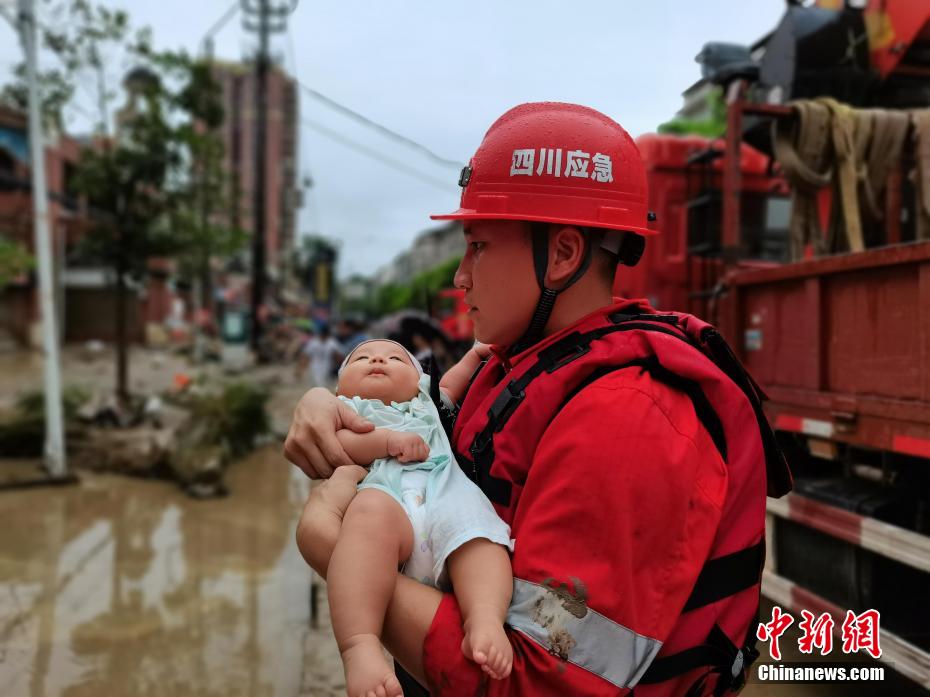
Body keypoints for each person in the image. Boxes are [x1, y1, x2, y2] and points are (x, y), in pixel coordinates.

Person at [286, 102, 791, 696]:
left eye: (478, 245)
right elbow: (423, 439)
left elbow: (536, 682)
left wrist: (339, 555)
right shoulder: (518, 367)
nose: (460, 277)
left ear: (562, 255)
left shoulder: (626, 417)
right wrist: (327, 401)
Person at [326, 338, 513, 697]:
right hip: (389, 495)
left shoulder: (428, 399)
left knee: (480, 532)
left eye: (396, 358)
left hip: (446, 490)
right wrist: (384, 442)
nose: (378, 358)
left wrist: (474, 355)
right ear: (339, 385)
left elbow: (451, 384)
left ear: (419, 378)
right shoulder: (347, 408)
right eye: (360, 358)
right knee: (364, 524)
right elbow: (342, 446)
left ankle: (485, 616)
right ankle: (359, 645)